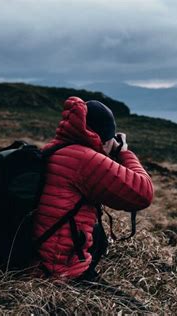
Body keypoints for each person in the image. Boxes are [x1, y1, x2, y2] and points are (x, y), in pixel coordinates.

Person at [33, 96, 154, 280]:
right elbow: (143, 193)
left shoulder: (54, 148)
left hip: (32, 259)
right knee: (136, 309)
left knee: (96, 234)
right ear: (103, 138)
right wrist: (124, 153)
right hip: (58, 271)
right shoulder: (86, 159)